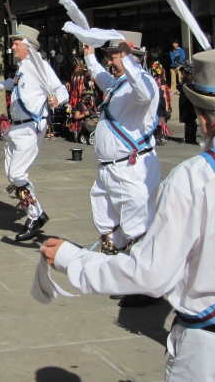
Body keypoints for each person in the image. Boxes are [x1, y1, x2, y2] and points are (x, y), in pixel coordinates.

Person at [42, 47, 215, 382]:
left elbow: (150, 275)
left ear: (201, 116)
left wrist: (73, 260)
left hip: (211, 351)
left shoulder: (194, 176)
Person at [83, 32, 161, 307]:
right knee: (107, 220)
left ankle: (146, 286)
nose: (110, 62)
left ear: (130, 57)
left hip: (131, 168)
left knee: (137, 224)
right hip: (109, 169)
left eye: (113, 56)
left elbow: (144, 92)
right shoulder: (118, 85)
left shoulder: (143, 84)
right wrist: (90, 56)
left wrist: (126, 58)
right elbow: (102, 78)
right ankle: (122, 274)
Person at [0, 25, 69, 240]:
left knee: (18, 174)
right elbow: (15, 84)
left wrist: (57, 100)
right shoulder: (22, 67)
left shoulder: (40, 66)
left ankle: (34, 214)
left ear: (28, 47)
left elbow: (61, 90)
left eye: (16, 43)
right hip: (16, 126)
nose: (12, 46)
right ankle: (36, 213)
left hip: (32, 125)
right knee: (12, 173)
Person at [178, 60, 198, 144]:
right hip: (190, 101)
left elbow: (182, 89)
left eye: (183, 71)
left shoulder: (186, 79)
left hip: (187, 102)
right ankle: (191, 137)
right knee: (191, 121)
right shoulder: (192, 79)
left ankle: (188, 137)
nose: (182, 72)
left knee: (189, 121)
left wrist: (178, 85)